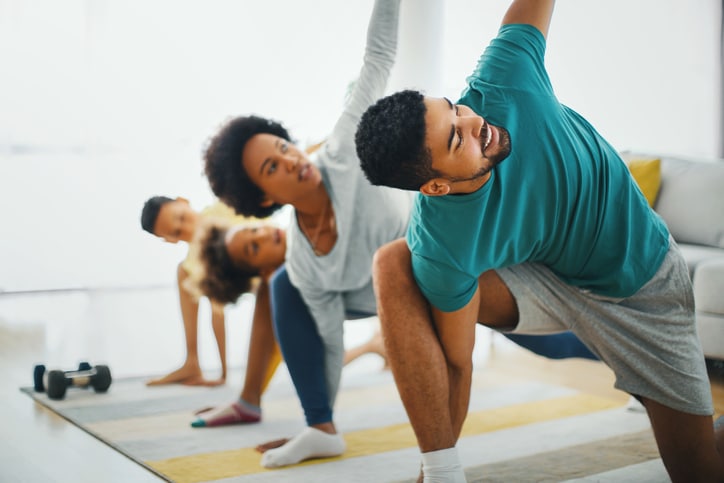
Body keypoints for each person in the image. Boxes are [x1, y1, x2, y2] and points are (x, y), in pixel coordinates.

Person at [354, 0, 724, 481]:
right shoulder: (440, 242)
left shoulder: (506, 77)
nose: (473, 123)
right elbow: (458, 363)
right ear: (436, 186)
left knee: (699, 471)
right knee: (392, 263)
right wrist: (440, 467)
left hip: (642, 286)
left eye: (454, 109)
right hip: (546, 281)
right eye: (454, 140)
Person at [203, 0, 410, 468]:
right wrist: (322, 421)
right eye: (273, 167)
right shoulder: (302, 259)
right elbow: (330, 340)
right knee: (284, 285)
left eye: (284, 147)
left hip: (446, 260)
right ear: (262, 198)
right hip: (391, 294)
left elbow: (377, 59)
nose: (293, 160)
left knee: (552, 338)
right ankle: (320, 429)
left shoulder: (342, 150)